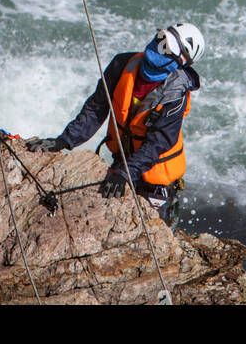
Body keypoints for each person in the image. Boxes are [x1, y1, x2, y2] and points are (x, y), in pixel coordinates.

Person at [25, 23, 204, 223]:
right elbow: (96, 107)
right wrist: (64, 141)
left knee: (151, 233)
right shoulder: (122, 65)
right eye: (160, 41)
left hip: (154, 176)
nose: (158, 49)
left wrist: (126, 173)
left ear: (182, 61)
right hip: (123, 161)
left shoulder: (175, 95)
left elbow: (158, 143)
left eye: (168, 48)